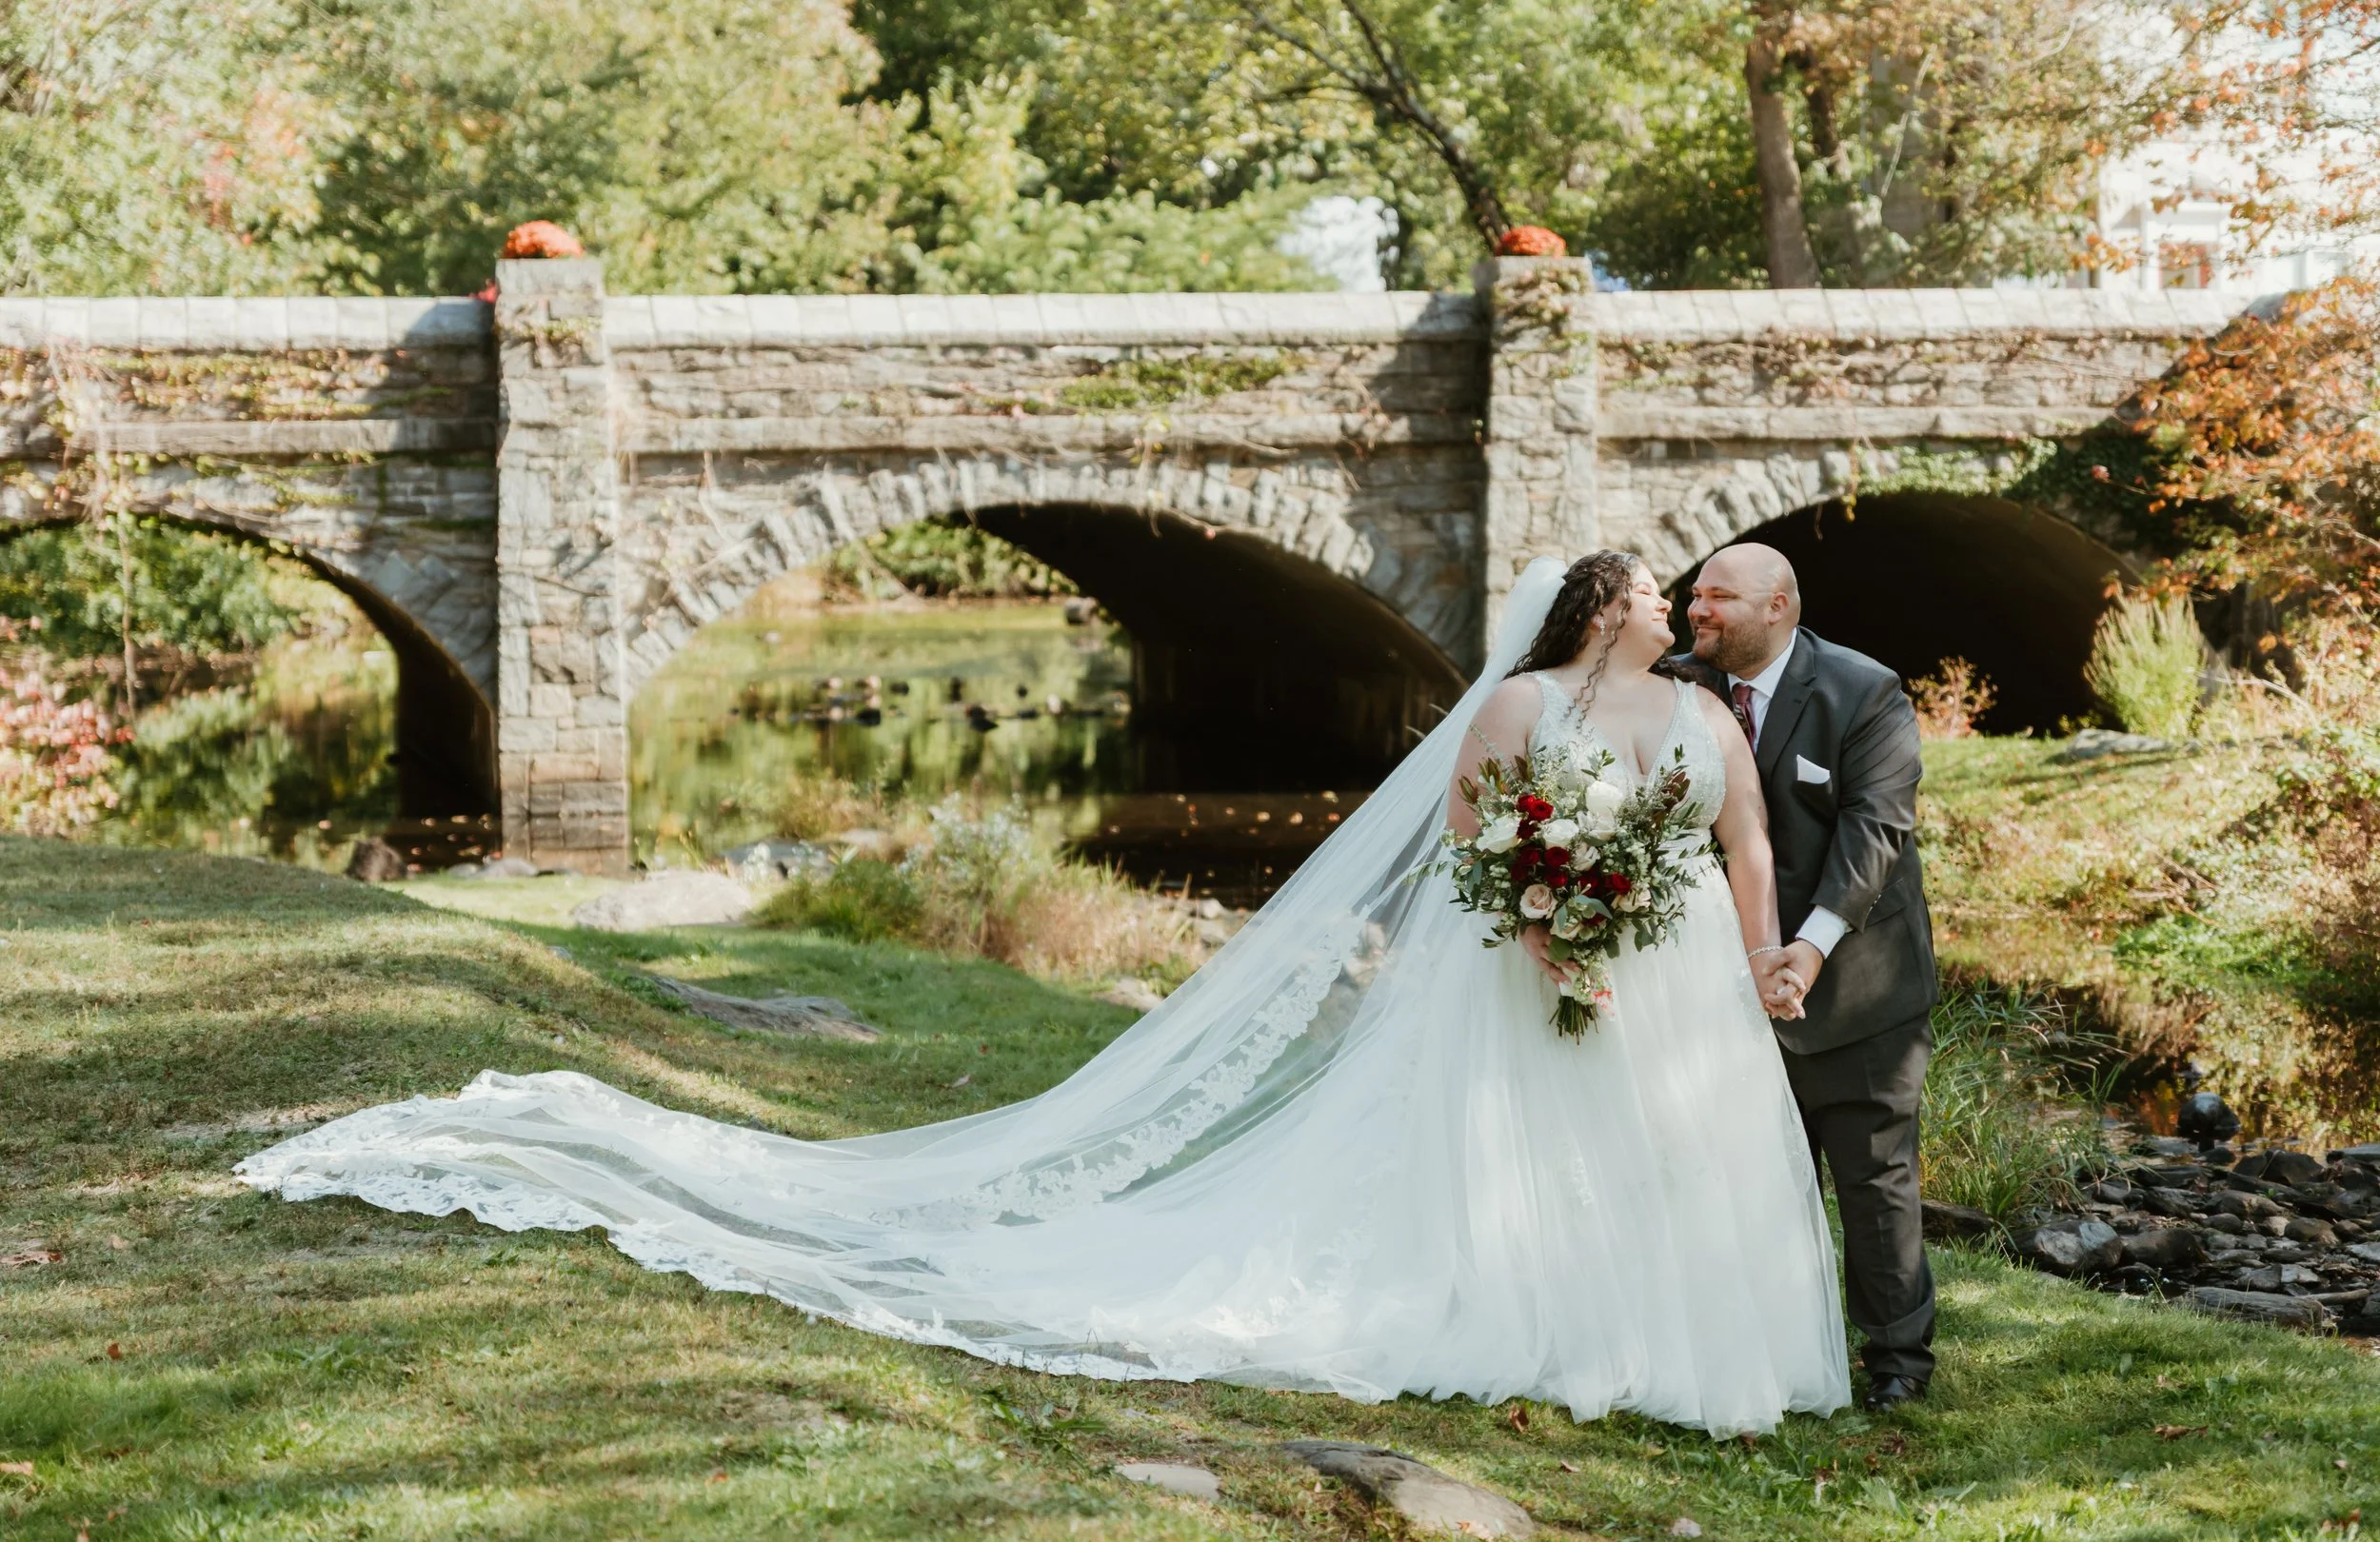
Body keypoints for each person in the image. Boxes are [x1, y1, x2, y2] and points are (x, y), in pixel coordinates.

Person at [239, 553, 1852, 1437]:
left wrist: (1758, 958)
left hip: (1679, 977)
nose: (1679, 602)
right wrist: (1544, 931)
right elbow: (1469, 847)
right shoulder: (1510, 704)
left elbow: (1748, 849)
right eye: (1662, 588)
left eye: (1697, 594)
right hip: (1542, 972)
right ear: (1607, 608)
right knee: (1529, 1152)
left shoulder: (1707, 719)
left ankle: (1690, 1357)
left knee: (1674, 1158)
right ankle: (1555, 1330)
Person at [1676, 543, 1939, 1413]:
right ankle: (1761, 1350)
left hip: (1857, 981)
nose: (1697, 610)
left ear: (1779, 607)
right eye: (1693, 595)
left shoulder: (1864, 690)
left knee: (1873, 1181)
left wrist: (1812, 946)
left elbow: (1875, 831)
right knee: (1741, 1174)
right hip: (1716, 989)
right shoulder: (1678, 685)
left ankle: (1898, 1360)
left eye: (1719, 597)